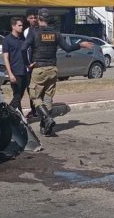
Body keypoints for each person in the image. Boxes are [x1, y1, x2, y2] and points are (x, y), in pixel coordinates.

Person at [21, 8, 94, 136]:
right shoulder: (56, 33)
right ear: (48, 19)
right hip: (53, 69)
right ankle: (46, 128)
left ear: (38, 18)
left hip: (38, 68)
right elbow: (68, 48)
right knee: (48, 98)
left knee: (36, 97)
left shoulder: (33, 32)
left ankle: (47, 119)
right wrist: (80, 44)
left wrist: (28, 64)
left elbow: (23, 49)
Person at [2, 17, 29, 112]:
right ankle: (6, 112)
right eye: (19, 25)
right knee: (17, 96)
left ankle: (19, 116)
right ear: (13, 26)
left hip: (24, 71)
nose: (22, 27)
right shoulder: (7, 40)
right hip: (15, 72)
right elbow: (5, 58)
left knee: (19, 96)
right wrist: (10, 73)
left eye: (22, 25)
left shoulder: (23, 38)